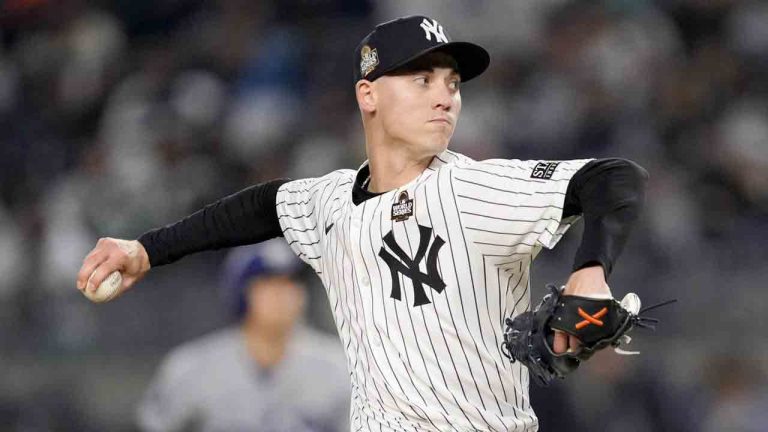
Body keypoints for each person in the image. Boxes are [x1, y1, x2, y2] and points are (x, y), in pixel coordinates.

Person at [77, 15, 648, 431]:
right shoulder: (329, 204)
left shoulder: (472, 186)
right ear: (368, 95)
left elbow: (614, 178)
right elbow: (259, 207)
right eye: (422, 80)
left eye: (452, 83)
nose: (446, 96)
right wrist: (148, 250)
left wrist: (590, 273)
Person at [136, 239, 350, 432]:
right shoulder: (190, 368)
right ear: (240, 292)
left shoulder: (343, 369)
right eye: (267, 283)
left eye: (292, 283)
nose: (282, 295)